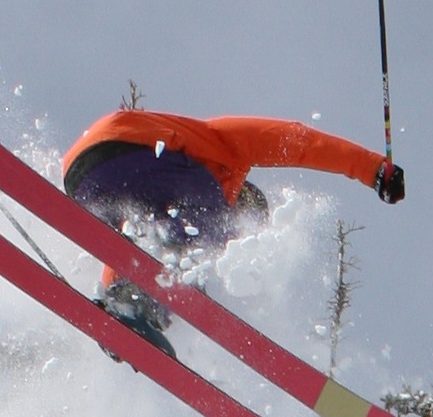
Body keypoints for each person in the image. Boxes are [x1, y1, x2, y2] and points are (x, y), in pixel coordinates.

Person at [60, 105, 403, 347]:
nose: (234, 236)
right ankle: (143, 301)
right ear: (245, 198)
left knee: (147, 235)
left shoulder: (173, 200)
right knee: (198, 243)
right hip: (131, 148)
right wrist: (373, 169)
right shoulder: (225, 150)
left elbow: (126, 251)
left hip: (83, 178)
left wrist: (113, 306)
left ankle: (126, 302)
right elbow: (298, 141)